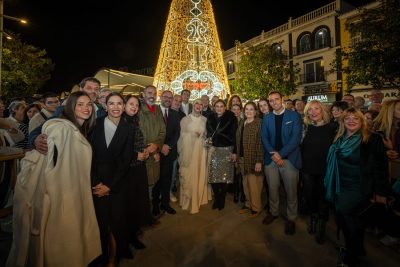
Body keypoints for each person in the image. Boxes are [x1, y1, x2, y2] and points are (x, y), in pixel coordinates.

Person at [6, 91, 101, 267]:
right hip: (62, 197)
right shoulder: (62, 126)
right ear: (69, 105)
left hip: (77, 192)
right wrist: (35, 140)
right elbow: (47, 140)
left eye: (89, 104)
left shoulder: (85, 125)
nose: (86, 108)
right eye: (80, 104)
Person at [324, 108, 390, 266]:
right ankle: (357, 249)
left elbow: (381, 168)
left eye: (356, 118)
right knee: (353, 221)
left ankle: (351, 257)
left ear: (362, 121)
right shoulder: (339, 138)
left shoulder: (372, 139)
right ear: (343, 121)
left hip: (358, 187)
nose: (351, 121)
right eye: (348, 118)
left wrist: (381, 193)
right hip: (339, 185)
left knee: (348, 220)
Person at [90, 92, 134, 266]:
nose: (115, 107)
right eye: (111, 103)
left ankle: (113, 258)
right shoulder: (95, 124)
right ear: (105, 106)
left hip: (117, 183)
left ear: (123, 107)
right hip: (95, 181)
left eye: (119, 103)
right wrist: (96, 183)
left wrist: (109, 186)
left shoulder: (129, 128)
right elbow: (88, 156)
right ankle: (99, 257)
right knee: (100, 224)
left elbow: (126, 161)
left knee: (116, 223)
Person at [261, 91, 302, 235]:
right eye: (271, 101)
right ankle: (274, 212)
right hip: (271, 159)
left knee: (291, 191)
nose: (274, 102)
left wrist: (281, 154)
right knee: (272, 189)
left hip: (289, 159)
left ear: (282, 100)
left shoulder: (294, 116)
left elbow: (296, 139)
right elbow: (264, 138)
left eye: (276, 99)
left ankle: (291, 218)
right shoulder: (267, 118)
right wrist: (274, 154)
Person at [300, 100, 336, 244]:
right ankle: (313, 217)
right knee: (310, 196)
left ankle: (322, 223)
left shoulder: (332, 128)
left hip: (325, 170)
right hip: (307, 169)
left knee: (323, 198)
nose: (313, 112)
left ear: (323, 111)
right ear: (307, 112)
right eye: (310, 109)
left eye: (317, 109)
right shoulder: (305, 128)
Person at [123, 94, 152, 249]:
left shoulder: (134, 121)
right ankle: (127, 241)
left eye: (136, 105)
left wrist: (145, 151)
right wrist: (137, 154)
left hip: (138, 168)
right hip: (128, 171)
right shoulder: (121, 122)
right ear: (124, 105)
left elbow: (135, 143)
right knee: (129, 205)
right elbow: (119, 150)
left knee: (136, 203)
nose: (134, 107)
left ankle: (133, 235)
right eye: (131, 104)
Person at [178, 99, 211, 214]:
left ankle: (199, 198)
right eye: (197, 103)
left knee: (200, 173)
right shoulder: (185, 120)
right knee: (189, 175)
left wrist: (205, 136)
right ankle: (188, 199)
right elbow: (181, 138)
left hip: (201, 153)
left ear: (203, 107)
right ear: (193, 105)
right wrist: (191, 135)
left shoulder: (205, 120)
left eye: (201, 104)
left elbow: (208, 135)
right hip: (189, 153)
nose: (198, 106)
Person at [152, 90, 181, 216]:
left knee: (167, 180)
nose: (168, 99)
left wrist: (168, 145)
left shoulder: (175, 114)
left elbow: (177, 133)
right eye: (165, 97)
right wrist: (160, 146)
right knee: (156, 180)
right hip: (156, 152)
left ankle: (165, 203)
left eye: (170, 97)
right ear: (161, 97)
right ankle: (155, 205)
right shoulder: (154, 112)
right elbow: (152, 132)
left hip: (169, 152)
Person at [232, 102, 264, 217]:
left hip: (254, 158)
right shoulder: (242, 123)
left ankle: (256, 207)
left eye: (251, 109)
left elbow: (261, 143)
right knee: (245, 184)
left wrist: (259, 160)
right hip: (242, 158)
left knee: (254, 185)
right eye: (247, 109)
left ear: (256, 112)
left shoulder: (259, 123)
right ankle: (248, 203)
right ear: (244, 111)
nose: (249, 111)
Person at [206, 99, 237, 210]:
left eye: (221, 106)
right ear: (214, 107)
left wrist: (234, 152)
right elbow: (209, 134)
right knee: (214, 176)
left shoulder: (231, 118)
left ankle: (222, 198)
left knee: (225, 177)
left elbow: (234, 136)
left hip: (226, 149)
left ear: (225, 107)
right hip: (214, 150)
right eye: (217, 106)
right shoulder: (210, 118)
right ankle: (217, 198)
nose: (219, 108)